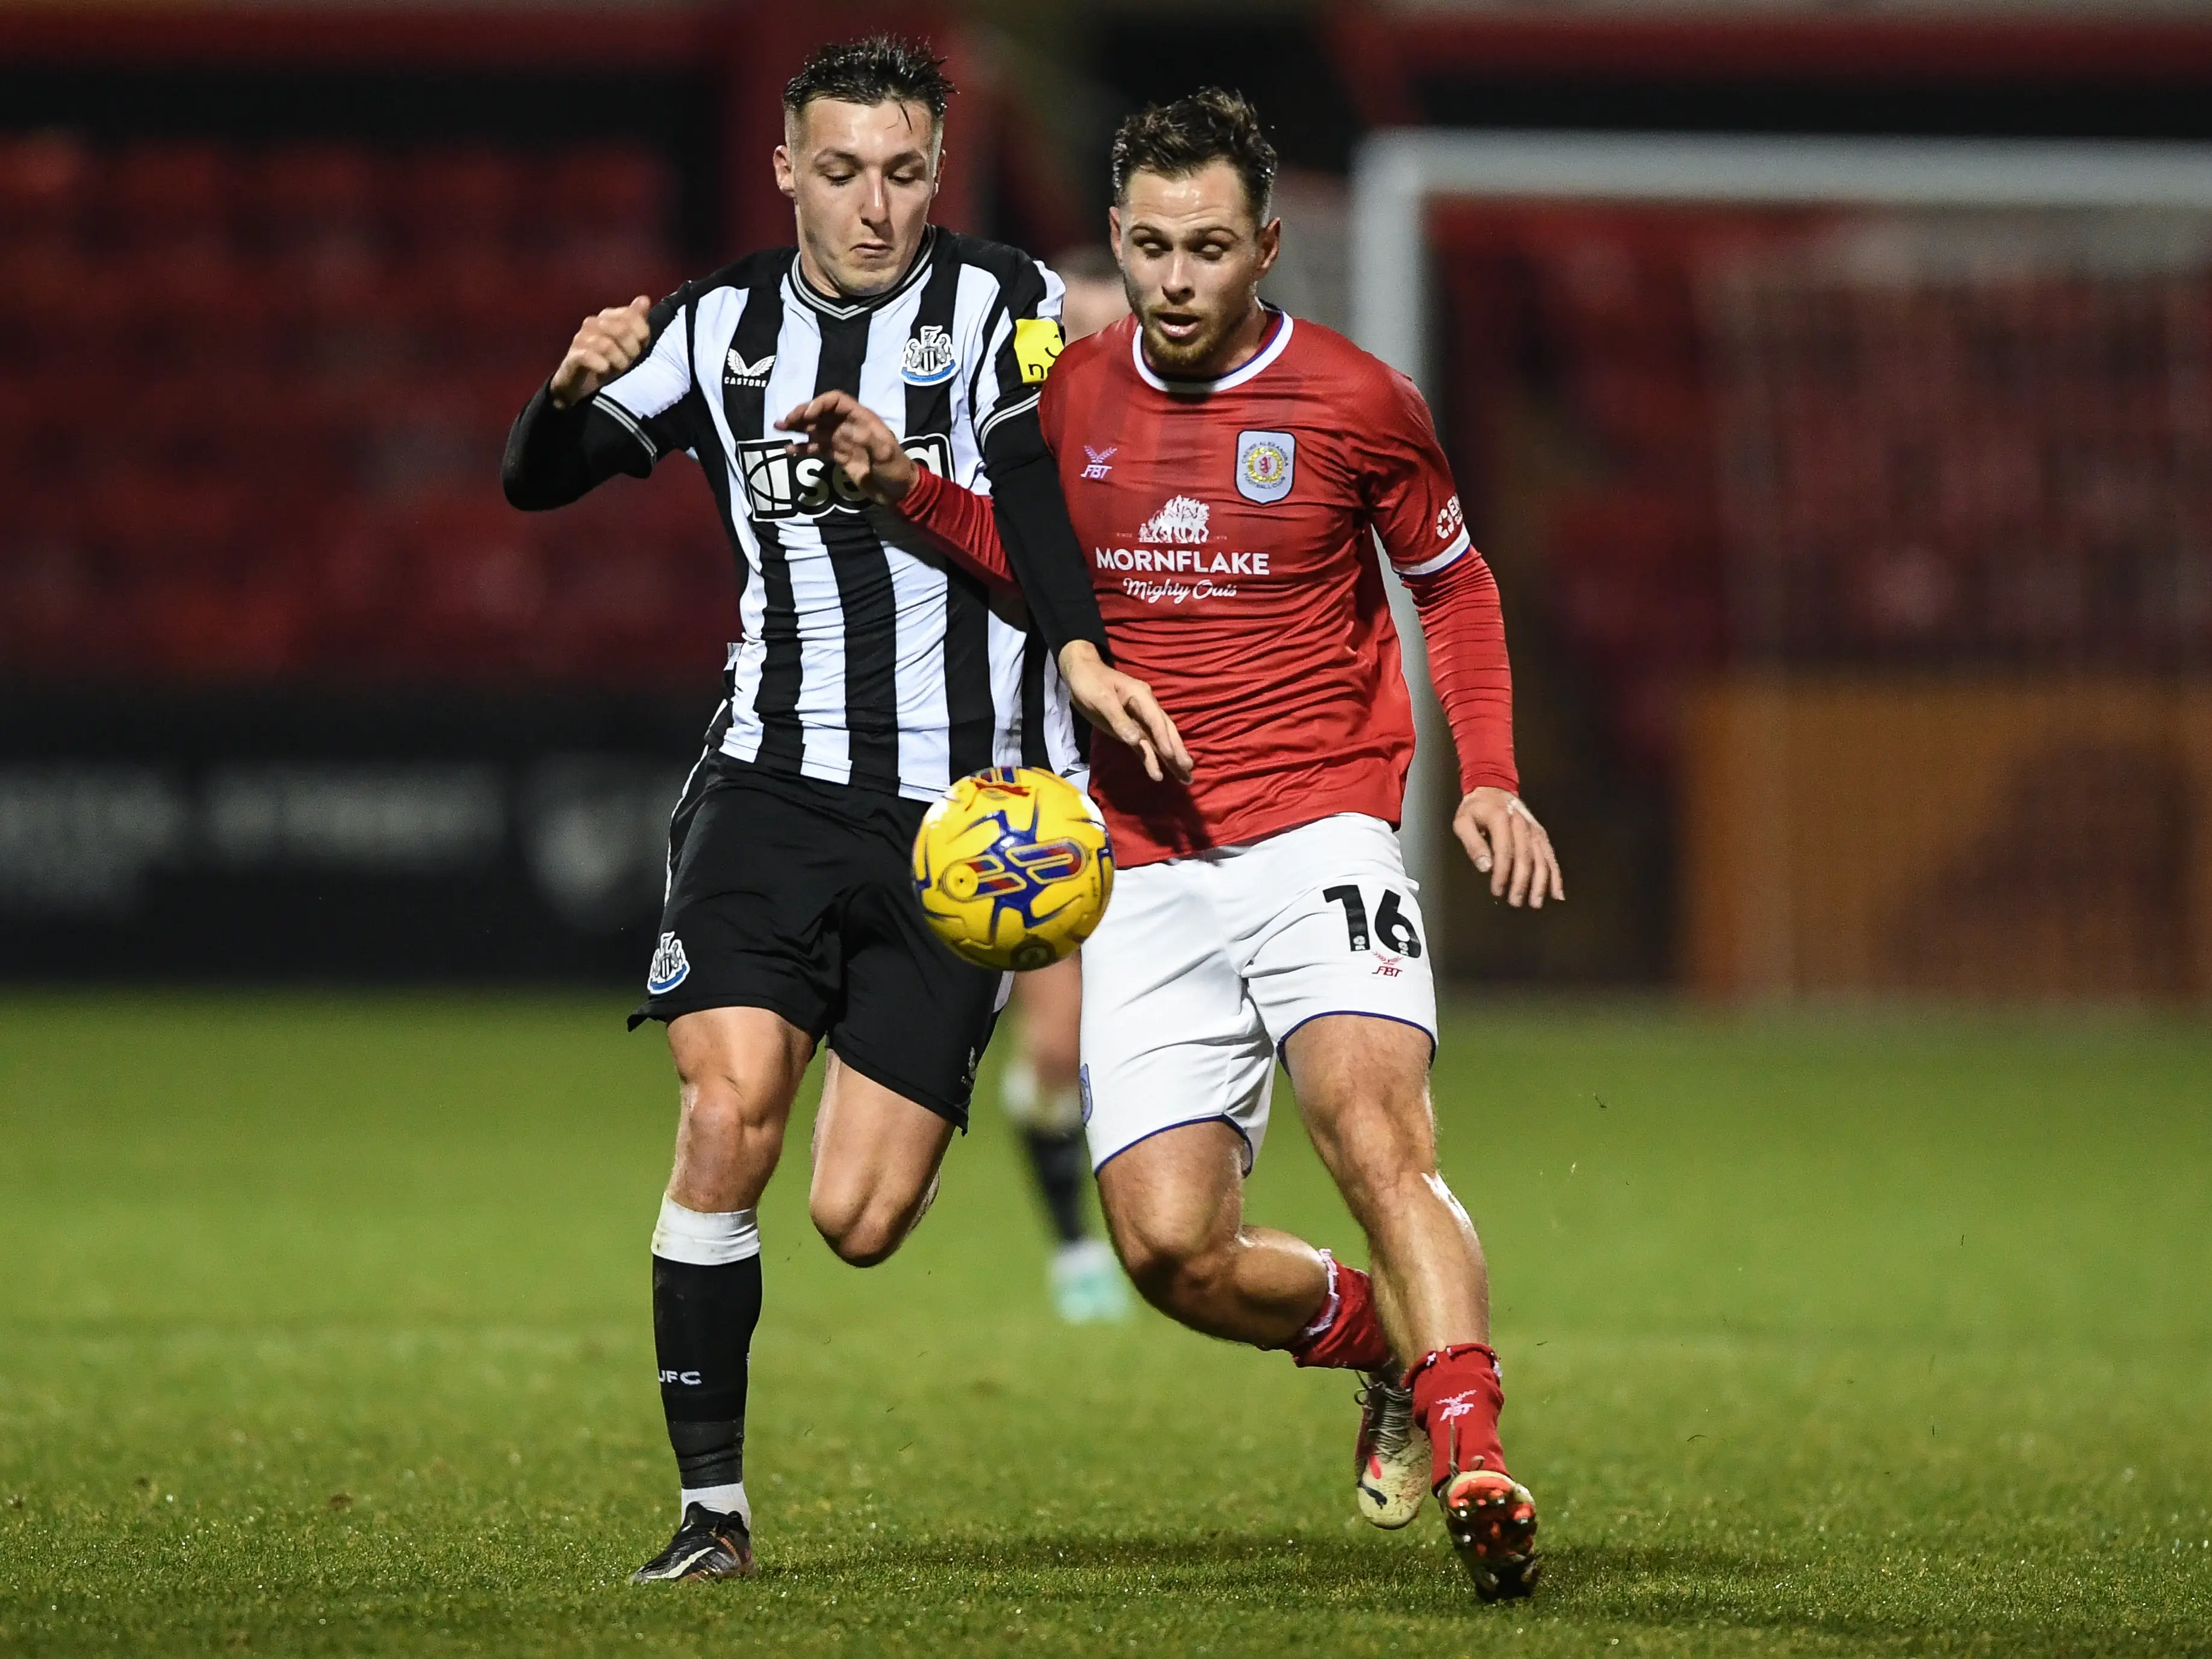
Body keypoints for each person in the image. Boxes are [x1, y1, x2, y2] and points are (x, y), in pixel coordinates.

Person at [781, 90, 1562, 1599]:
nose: (1178, 281)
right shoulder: (1070, 396)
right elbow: (1036, 566)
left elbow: (1452, 589)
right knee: (1165, 1252)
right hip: (1139, 868)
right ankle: (1386, 1346)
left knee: (1371, 1134)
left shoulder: (1358, 401)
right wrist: (900, 493)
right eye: (1149, 249)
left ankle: (1474, 1449)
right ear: (1121, 246)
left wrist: (1491, 773)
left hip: (1321, 827)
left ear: (1266, 244)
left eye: (1210, 249)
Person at [500, 36, 1186, 1584]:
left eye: (900, 172)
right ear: (784, 170)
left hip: (966, 830)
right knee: (724, 1109)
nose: (871, 206)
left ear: (937, 171)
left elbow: (1033, 498)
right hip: (771, 789)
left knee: (859, 1218)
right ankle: (712, 1514)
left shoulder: (1005, 309)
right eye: (839, 171)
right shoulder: (714, 327)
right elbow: (537, 485)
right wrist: (565, 390)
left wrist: (1075, 651)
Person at [999, 245, 1132, 1325]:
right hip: (1039, 768)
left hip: (1155, 785)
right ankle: (1075, 1244)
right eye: (1067, 337)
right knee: (1055, 1046)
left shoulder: (1167, 460)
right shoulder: (1014, 457)